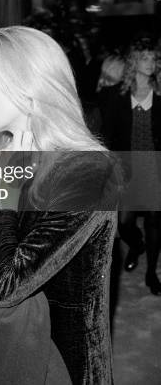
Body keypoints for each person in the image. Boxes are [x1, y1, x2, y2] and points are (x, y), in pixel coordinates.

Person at [0, 26, 118, 385]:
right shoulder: (15, 157)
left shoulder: (87, 171)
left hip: (64, 365)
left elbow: (4, 285)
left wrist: (5, 196)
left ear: (28, 89)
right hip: (14, 352)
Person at [100, 37, 161, 295]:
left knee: (155, 222)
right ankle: (137, 246)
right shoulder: (116, 96)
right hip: (126, 169)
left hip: (155, 169)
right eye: (145, 58)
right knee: (124, 224)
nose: (151, 63)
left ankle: (151, 275)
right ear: (134, 61)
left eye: (154, 58)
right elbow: (108, 136)